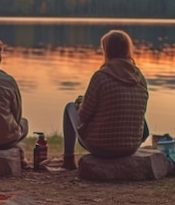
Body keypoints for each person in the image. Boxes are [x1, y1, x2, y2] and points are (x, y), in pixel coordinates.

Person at [62, 29, 149, 170]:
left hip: (101, 147)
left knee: (69, 107)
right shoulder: (140, 78)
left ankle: (68, 160)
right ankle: (127, 138)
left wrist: (80, 103)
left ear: (107, 51)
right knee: (134, 109)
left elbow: (83, 116)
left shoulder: (101, 77)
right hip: (131, 147)